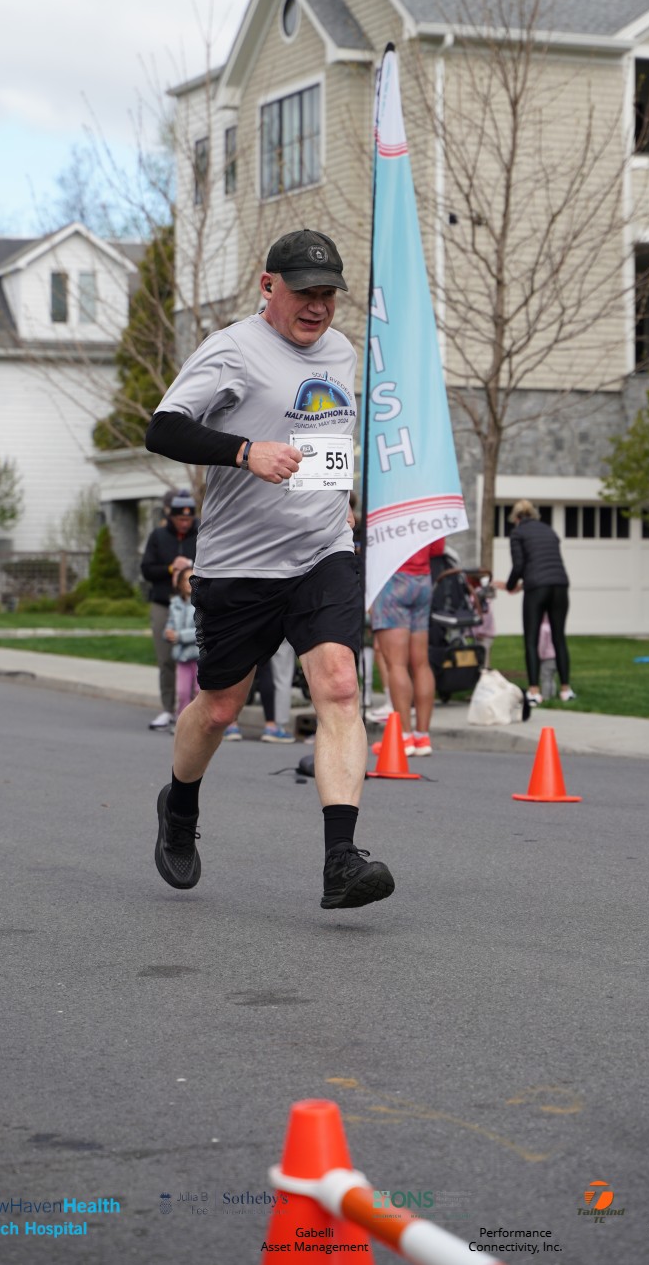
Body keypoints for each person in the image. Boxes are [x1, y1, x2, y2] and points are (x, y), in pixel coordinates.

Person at [144, 228, 395, 910]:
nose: (317, 307)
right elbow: (163, 428)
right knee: (220, 707)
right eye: (304, 292)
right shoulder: (233, 349)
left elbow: (323, 439)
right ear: (268, 286)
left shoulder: (342, 352)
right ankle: (180, 805)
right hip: (240, 563)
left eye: (328, 295)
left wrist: (339, 498)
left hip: (321, 549)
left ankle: (341, 860)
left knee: (339, 685)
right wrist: (244, 451)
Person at [370, 538, 445, 757]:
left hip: (392, 576)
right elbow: (438, 548)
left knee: (396, 664)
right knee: (421, 663)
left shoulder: (383, 512)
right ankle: (422, 736)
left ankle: (404, 737)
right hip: (422, 579)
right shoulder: (427, 513)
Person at [505, 499, 574, 705]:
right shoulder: (548, 530)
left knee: (531, 640)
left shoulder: (518, 533)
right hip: (560, 584)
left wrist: (510, 586)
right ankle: (566, 690)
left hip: (536, 587)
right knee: (559, 638)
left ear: (516, 518)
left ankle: (534, 691)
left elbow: (519, 566)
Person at [140, 491, 199, 729]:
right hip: (164, 603)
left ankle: (192, 710)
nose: (185, 523)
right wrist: (170, 568)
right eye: (180, 519)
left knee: (196, 659)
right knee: (166, 659)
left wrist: (190, 566)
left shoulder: (202, 533)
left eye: (188, 518)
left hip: (194, 605)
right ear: (171, 517)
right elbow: (147, 569)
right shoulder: (158, 536)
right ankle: (168, 708)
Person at [164, 557, 199, 717]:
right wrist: (168, 633)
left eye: (193, 579)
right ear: (179, 584)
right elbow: (170, 624)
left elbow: (201, 631)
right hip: (182, 657)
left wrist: (179, 636)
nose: (190, 583)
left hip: (199, 657)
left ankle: (198, 724)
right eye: (186, 580)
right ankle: (182, 722)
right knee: (183, 693)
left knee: (199, 692)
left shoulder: (202, 605)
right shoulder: (175, 604)